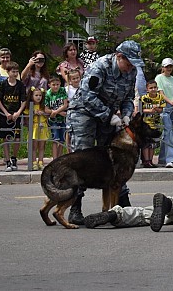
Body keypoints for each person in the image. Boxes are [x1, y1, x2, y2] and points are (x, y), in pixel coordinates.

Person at [65, 40, 143, 225]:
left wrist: (125, 115)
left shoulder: (130, 72)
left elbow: (128, 98)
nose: (131, 67)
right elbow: (87, 95)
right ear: (119, 56)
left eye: (133, 63)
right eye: (128, 62)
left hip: (108, 114)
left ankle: (121, 202)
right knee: (82, 159)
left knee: (114, 158)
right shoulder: (99, 67)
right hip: (83, 112)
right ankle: (75, 207)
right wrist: (109, 115)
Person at [0, 61, 27, 172]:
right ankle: (7, 161)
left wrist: (18, 112)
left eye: (17, 71)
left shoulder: (20, 85)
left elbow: (23, 100)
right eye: (13, 71)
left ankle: (14, 158)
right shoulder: (3, 84)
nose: (15, 73)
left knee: (17, 137)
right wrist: (5, 112)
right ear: (8, 72)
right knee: (6, 138)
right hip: (5, 115)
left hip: (16, 115)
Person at [155, 58, 173, 168]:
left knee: (169, 133)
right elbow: (160, 93)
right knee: (169, 131)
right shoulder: (159, 78)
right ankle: (170, 159)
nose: (168, 68)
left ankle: (162, 158)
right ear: (163, 67)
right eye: (166, 66)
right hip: (164, 107)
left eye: (170, 66)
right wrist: (171, 101)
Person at [140, 80, 166, 168]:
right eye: (151, 88)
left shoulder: (160, 97)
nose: (153, 89)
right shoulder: (143, 98)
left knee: (153, 144)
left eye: (155, 87)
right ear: (147, 89)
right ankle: (146, 161)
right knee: (146, 143)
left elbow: (161, 109)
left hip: (155, 124)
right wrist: (150, 110)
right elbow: (140, 110)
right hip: (145, 124)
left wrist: (157, 109)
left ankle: (151, 160)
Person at [26, 86, 50, 170]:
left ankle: (41, 161)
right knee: (34, 146)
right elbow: (26, 115)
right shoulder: (29, 106)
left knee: (42, 146)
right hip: (34, 127)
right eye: (36, 95)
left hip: (43, 126)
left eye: (40, 95)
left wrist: (43, 113)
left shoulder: (43, 106)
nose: (38, 97)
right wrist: (33, 112)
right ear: (32, 96)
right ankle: (33, 162)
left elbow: (48, 114)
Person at [45, 76, 69, 160]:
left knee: (62, 139)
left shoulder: (62, 90)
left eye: (57, 84)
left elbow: (65, 104)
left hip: (62, 119)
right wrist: (56, 112)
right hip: (54, 119)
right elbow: (46, 109)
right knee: (55, 139)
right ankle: (55, 158)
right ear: (49, 85)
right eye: (53, 85)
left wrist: (56, 111)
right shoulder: (48, 94)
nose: (56, 86)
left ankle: (60, 158)